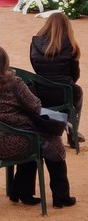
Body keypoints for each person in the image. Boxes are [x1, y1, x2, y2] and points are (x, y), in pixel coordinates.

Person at [0, 45, 75, 208]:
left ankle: (21, 192)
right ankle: (61, 195)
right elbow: (35, 106)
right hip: (13, 142)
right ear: (4, 63)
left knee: (31, 135)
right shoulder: (13, 83)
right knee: (51, 139)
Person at [30, 12, 83, 145]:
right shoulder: (71, 45)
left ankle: (62, 121)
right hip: (63, 91)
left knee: (66, 92)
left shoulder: (34, 43)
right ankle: (71, 131)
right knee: (76, 92)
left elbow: (35, 66)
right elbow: (75, 74)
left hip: (41, 91)